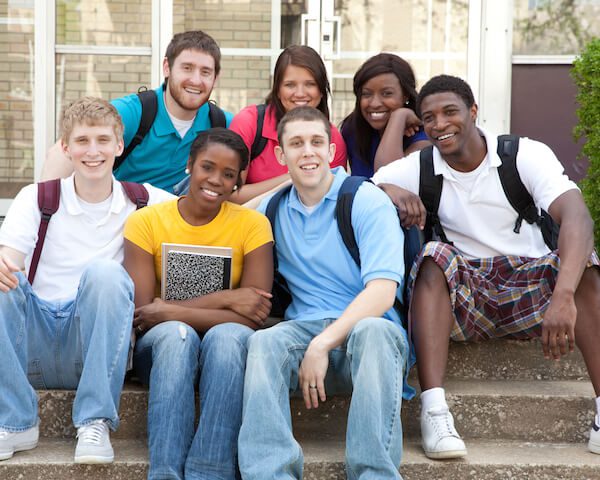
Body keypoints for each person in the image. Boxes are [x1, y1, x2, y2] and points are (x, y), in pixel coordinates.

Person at [372, 74, 600, 459]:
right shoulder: (422, 164)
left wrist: (563, 296)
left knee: (586, 264)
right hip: (468, 293)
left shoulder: (522, 154)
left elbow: (578, 218)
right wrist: (389, 189)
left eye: (450, 112)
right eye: (429, 118)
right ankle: (435, 412)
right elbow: (366, 186)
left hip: (531, 286)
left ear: (473, 112)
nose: (440, 124)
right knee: (432, 257)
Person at [237, 107, 413, 479]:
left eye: (317, 142)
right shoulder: (274, 207)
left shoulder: (365, 200)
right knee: (264, 343)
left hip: (366, 342)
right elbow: (229, 217)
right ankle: (271, 474)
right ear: (281, 155)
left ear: (332, 149)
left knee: (376, 330)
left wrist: (323, 344)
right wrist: (288, 183)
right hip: (303, 336)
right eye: (296, 144)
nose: (308, 152)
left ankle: (373, 474)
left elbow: (381, 293)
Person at [0, 97, 172, 463]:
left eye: (102, 140)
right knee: (2, 277)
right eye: (82, 141)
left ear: (119, 146)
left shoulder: (144, 201)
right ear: (65, 147)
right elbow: (9, 263)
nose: (93, 151)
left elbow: (211, 213)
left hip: (95, 349)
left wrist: (292, 183)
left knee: (106, 272)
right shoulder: (37, 198)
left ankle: (94, 421)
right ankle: (15, 422)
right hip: (33, 346)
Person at [123, 128, 274, 480]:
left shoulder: (253, 225)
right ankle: (166, 473)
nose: (216, 180)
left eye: (228, 174)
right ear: (190, 165)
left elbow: (254, 315)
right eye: (207, 167)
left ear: (239, 181)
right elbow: (145, 314)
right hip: (161, 349)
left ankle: (211, 471)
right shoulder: (147, 221)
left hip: (222, 352)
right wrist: (226, 298)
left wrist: (173, 309)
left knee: (228, 337)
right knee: (177, 337)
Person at [42, 30, 233, 193]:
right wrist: (44, 216)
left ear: (216, 78)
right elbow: (60, 154)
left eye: (205, 72)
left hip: (177, 229)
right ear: (167, 68)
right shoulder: (133, 112)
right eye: (187, 68)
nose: (195, 80)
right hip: (120, 223)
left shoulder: (222, 124)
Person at [228, 45, 347, 204]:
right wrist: (294, 177)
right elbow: (230, 195)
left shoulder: (332, 138)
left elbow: (333, 201)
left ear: (321, 90)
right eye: (290, 85)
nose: (299, 93)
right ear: (277, 89)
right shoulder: (249, 122)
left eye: (310, 84)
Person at [341, 53, 430, 177]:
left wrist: (399, 117)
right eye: (366, 94)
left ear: (405, 95)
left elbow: (389, 179)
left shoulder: (424, 137)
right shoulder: (352, 130)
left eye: (387, 94)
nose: (375, 103)